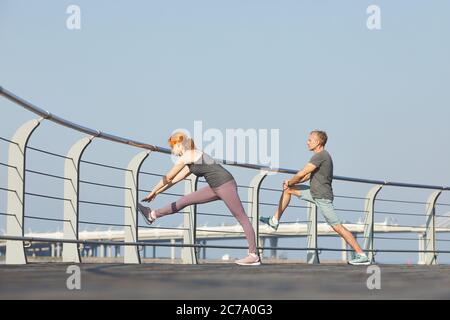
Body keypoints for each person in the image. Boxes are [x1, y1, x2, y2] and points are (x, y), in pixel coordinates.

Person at [138, 132, 261, 266]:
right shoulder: (191, 158)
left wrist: (152, 191)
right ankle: (152, 215)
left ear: (179, 145)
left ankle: (253, 255)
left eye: (173, 147)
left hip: (225, 184)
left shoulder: (188, 155)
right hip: (214, 187)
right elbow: (175, 180)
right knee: (184, 201)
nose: (173, 152)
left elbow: (168, 177)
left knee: (242, 218)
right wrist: (157, 192)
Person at [259, 130, 371, 266]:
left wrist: (291, 181)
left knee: (338, 227)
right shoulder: (321, 156)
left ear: (318, 142)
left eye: (310, 140)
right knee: (288, 190)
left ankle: (361, 255)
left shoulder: (321, 156)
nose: (307, 142)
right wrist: (291, 183)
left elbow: (302, 173)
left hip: (322, 197)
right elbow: (306, 177)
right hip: (313, 193)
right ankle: (274, 221)